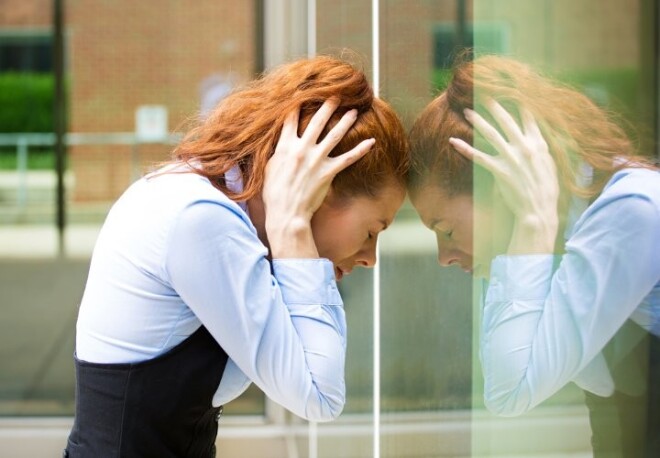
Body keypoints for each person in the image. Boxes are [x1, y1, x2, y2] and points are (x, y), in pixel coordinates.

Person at [64, 55, 409, 457]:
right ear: (321, 186)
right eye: (371, 231)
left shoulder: (208, 203)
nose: (370, 257)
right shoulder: (201, 219)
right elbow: (319, 394)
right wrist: (291, 224)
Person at [408, 55, 659, 456]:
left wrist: (533, 219)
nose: (444, 257)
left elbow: (510, 392)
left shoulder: (631, 210)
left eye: (448, 230)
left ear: (503, 181)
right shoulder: (581, 232)